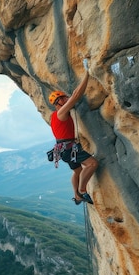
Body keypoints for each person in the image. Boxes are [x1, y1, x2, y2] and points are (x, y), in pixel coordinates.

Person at [48, 64, 98, 205]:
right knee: (92, 164)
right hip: (68, 149)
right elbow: (76, 95)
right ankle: (82, 191)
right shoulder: (62, 112)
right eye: (64, 98)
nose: (67, 98)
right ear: (60, 102)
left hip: (64, 149)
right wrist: (87, 73)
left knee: (77, 171)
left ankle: (76, 196)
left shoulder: (54, 115)